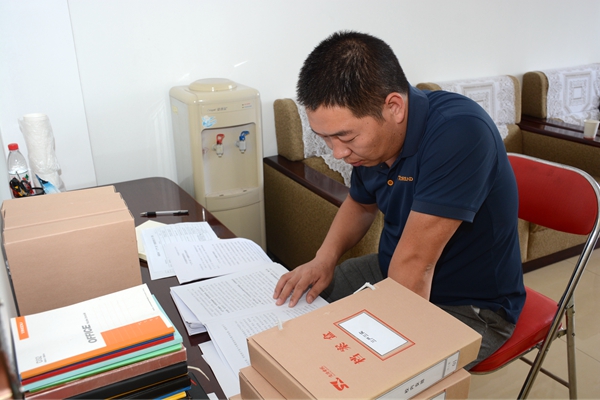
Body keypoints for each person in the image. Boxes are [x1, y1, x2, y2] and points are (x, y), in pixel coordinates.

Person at [272, 30, 526, 369]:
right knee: (300, 310)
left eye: (345, 136)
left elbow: (416, 264)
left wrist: (385, 357)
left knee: (360, 371)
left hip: (469, 306)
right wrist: (324, 259)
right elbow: (361, 203)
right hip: (390, 269)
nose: (338, 153)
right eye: (326, 138)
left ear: (394, 107)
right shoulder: (372, 145)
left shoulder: (460, 132)